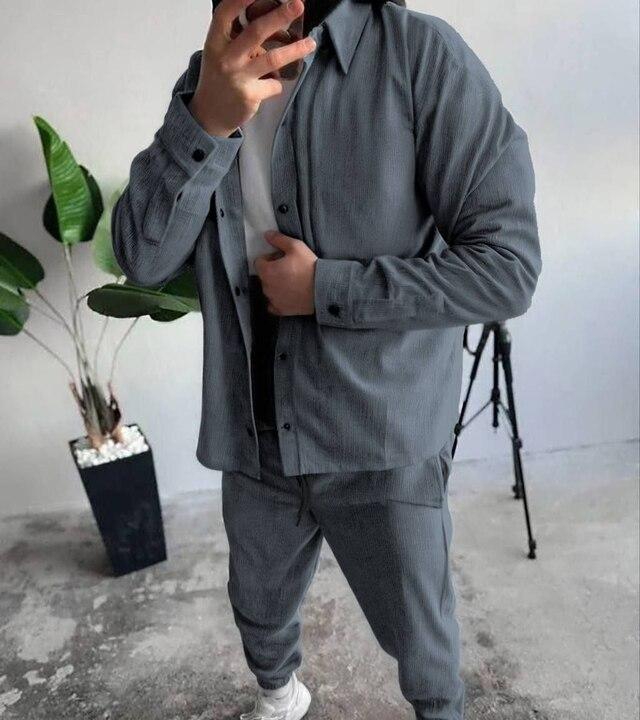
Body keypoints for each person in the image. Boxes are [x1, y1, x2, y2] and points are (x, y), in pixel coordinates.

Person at [111, 0, 542, 717]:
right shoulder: (208, 78)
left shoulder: (419, 56)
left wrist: (326, 289)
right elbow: (142, 258)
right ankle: (280, 695)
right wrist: (206, 120)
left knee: (423, 643)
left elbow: (507, 268)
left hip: (380, 432)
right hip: (256, 424)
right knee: (258, 602)